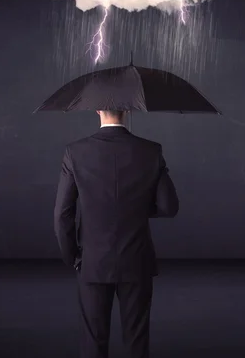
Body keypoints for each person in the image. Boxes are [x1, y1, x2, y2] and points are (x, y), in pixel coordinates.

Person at [54, 110, 179, 358]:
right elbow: (169, 207)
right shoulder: (151, 151)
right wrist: (136, 207)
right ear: (128, 109)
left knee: (92, 342)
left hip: (92, 261)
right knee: (137, 341)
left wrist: (73, 258)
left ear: (97, 109)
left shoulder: (75, 152)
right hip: (137, 260)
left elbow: (62, 215)